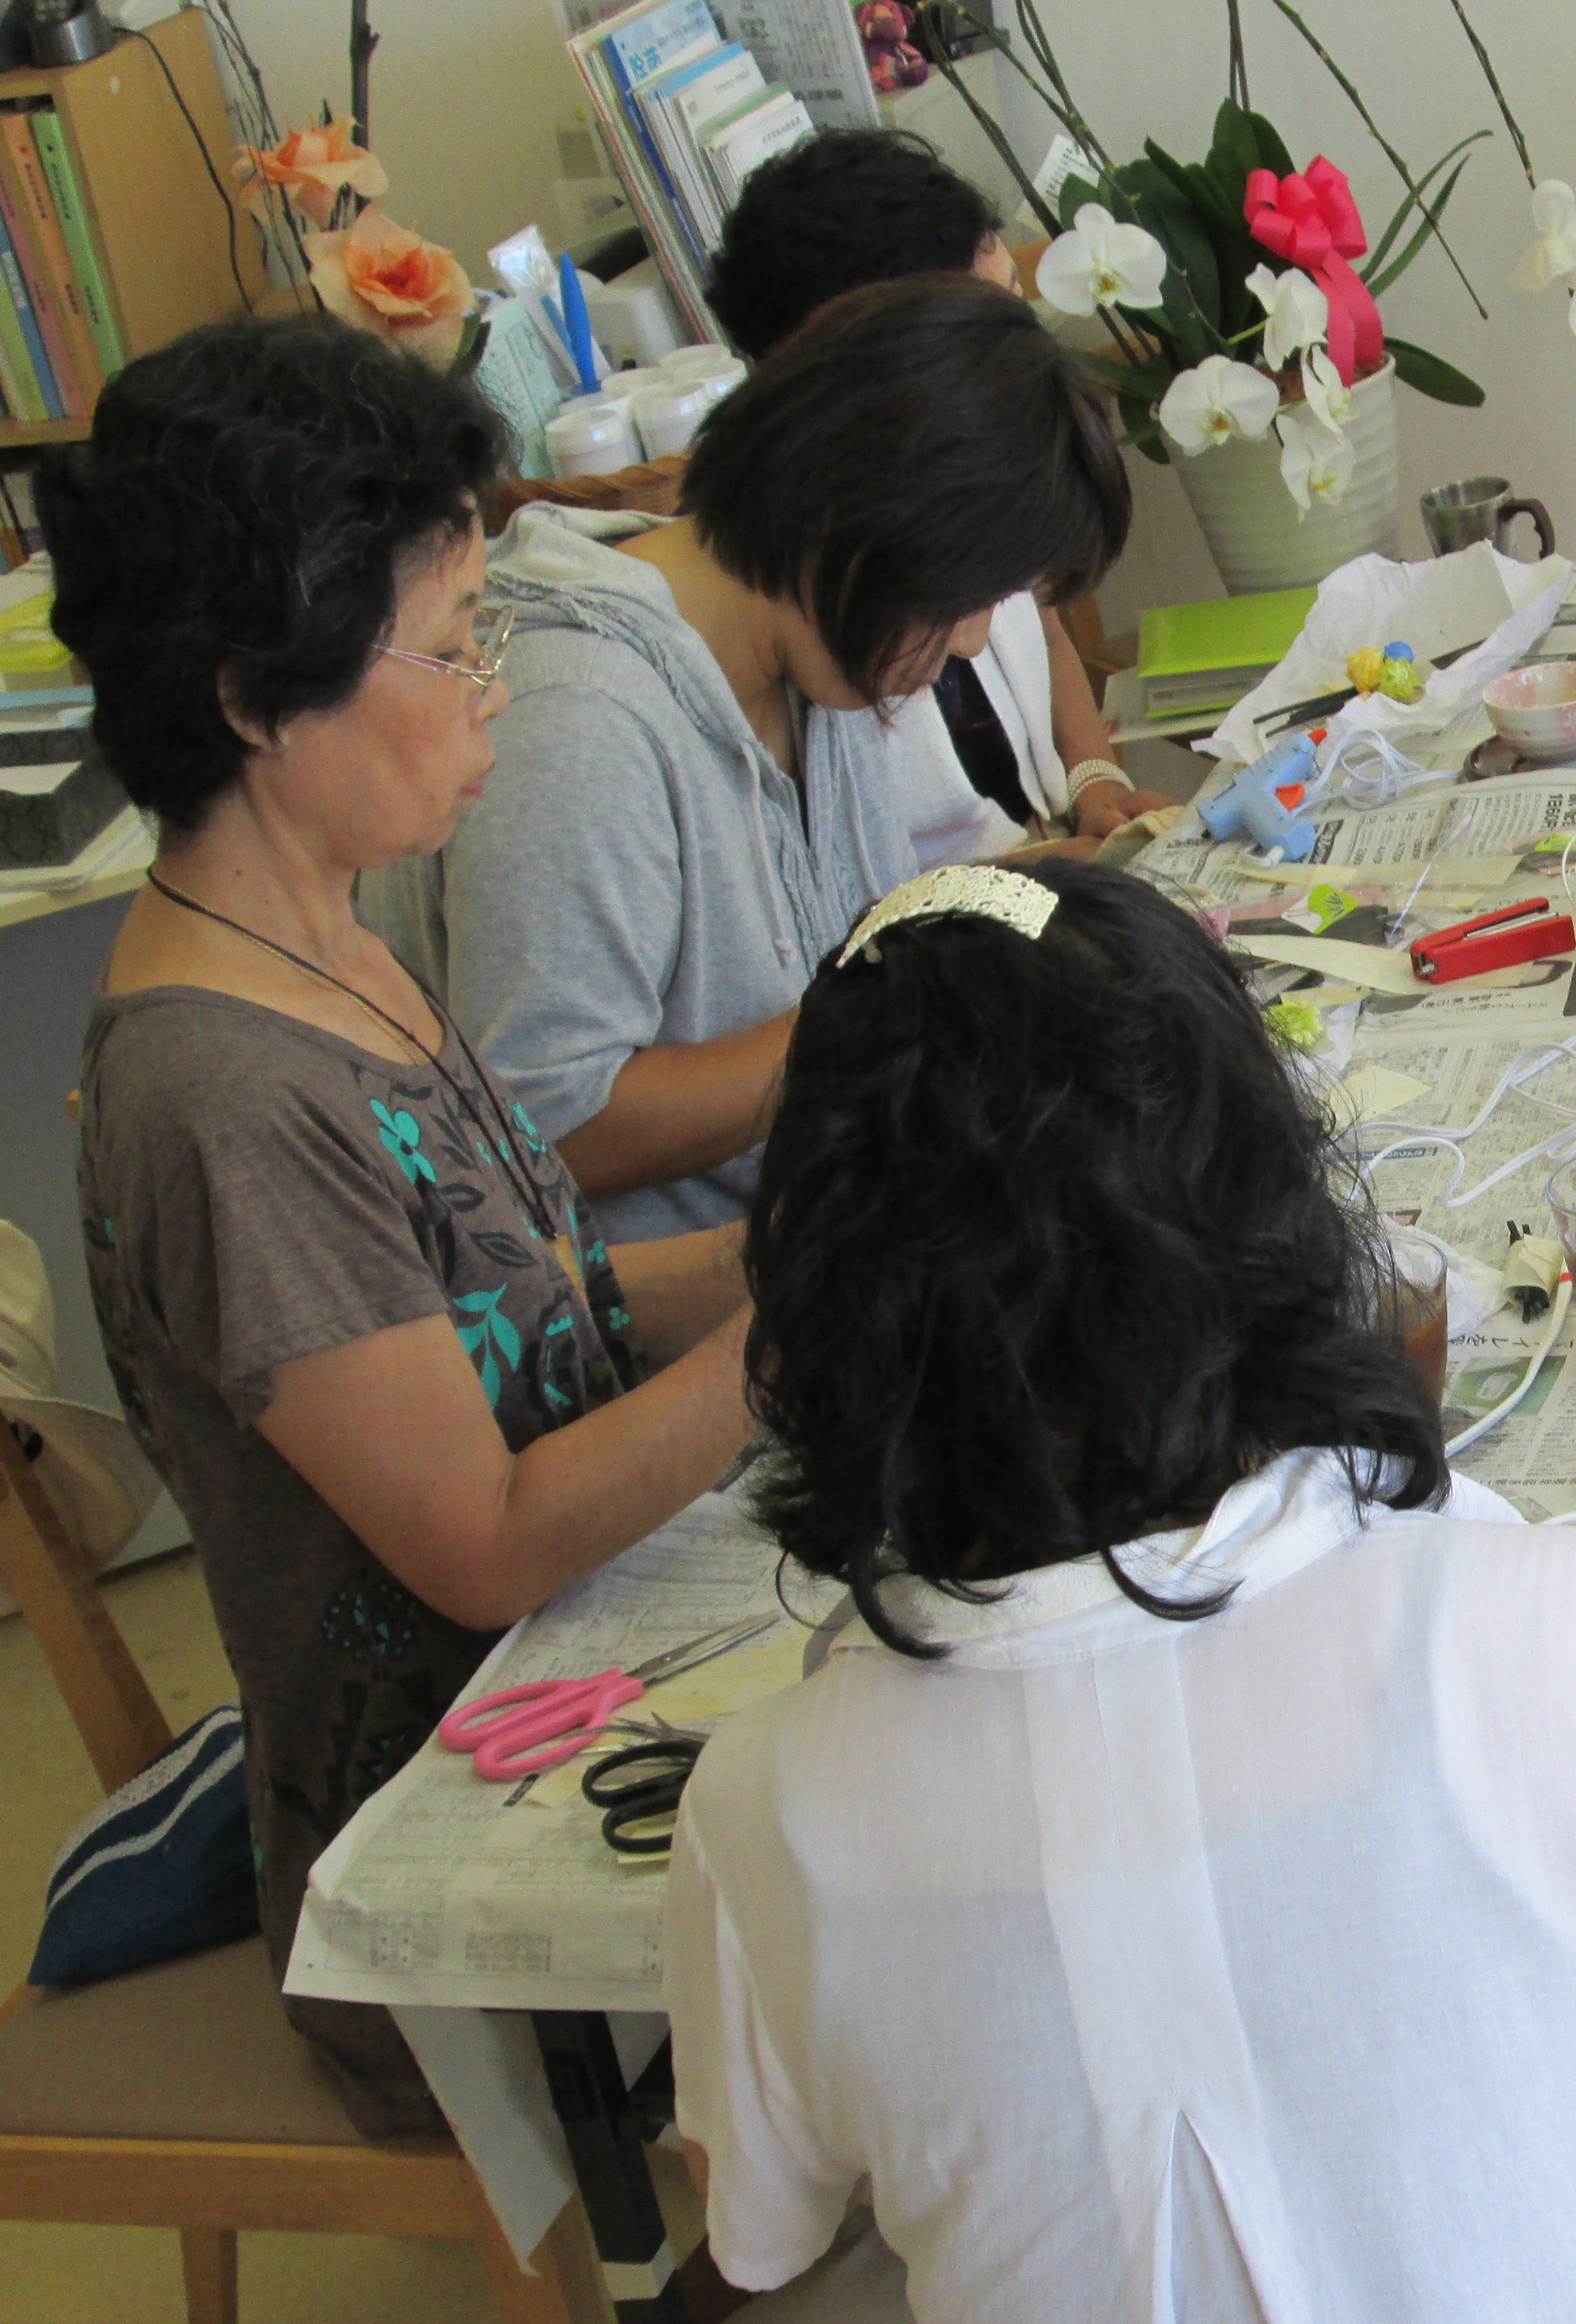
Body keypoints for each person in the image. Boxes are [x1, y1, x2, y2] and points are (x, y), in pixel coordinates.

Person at [660, 856, 1576, 2324]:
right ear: (1264, 1205)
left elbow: (758, 2222)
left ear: (816, 1297)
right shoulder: (1573, 1635)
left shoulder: (762, 1806)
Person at [41, 316, 756, 2130]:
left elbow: (515, 1312)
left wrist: (785, 1255)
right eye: (451, 644)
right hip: (463, 1870)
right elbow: (484, 1544)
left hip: (589, 1675)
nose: (491, 690)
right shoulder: (223, 1098)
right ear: (253, 694)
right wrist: (798, 1338)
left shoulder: (335, 937)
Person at [360, 274, 1133, 1242]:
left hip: (841, 1224)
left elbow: (863, 932)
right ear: (855, 526)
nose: (972, 640)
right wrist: (895, 1014)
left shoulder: (815, 650)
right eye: (965, 598)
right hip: (694, 1295)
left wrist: (1076, 881)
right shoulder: (580, 718)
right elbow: (548, 1128)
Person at [705, 128, 1165, 868]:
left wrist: (1094, 779)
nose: (1024, 352)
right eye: (992, 325)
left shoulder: (964, 483)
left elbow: (1047, 630)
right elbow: (869, 904)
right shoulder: (806, 630)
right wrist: (1052, 868)